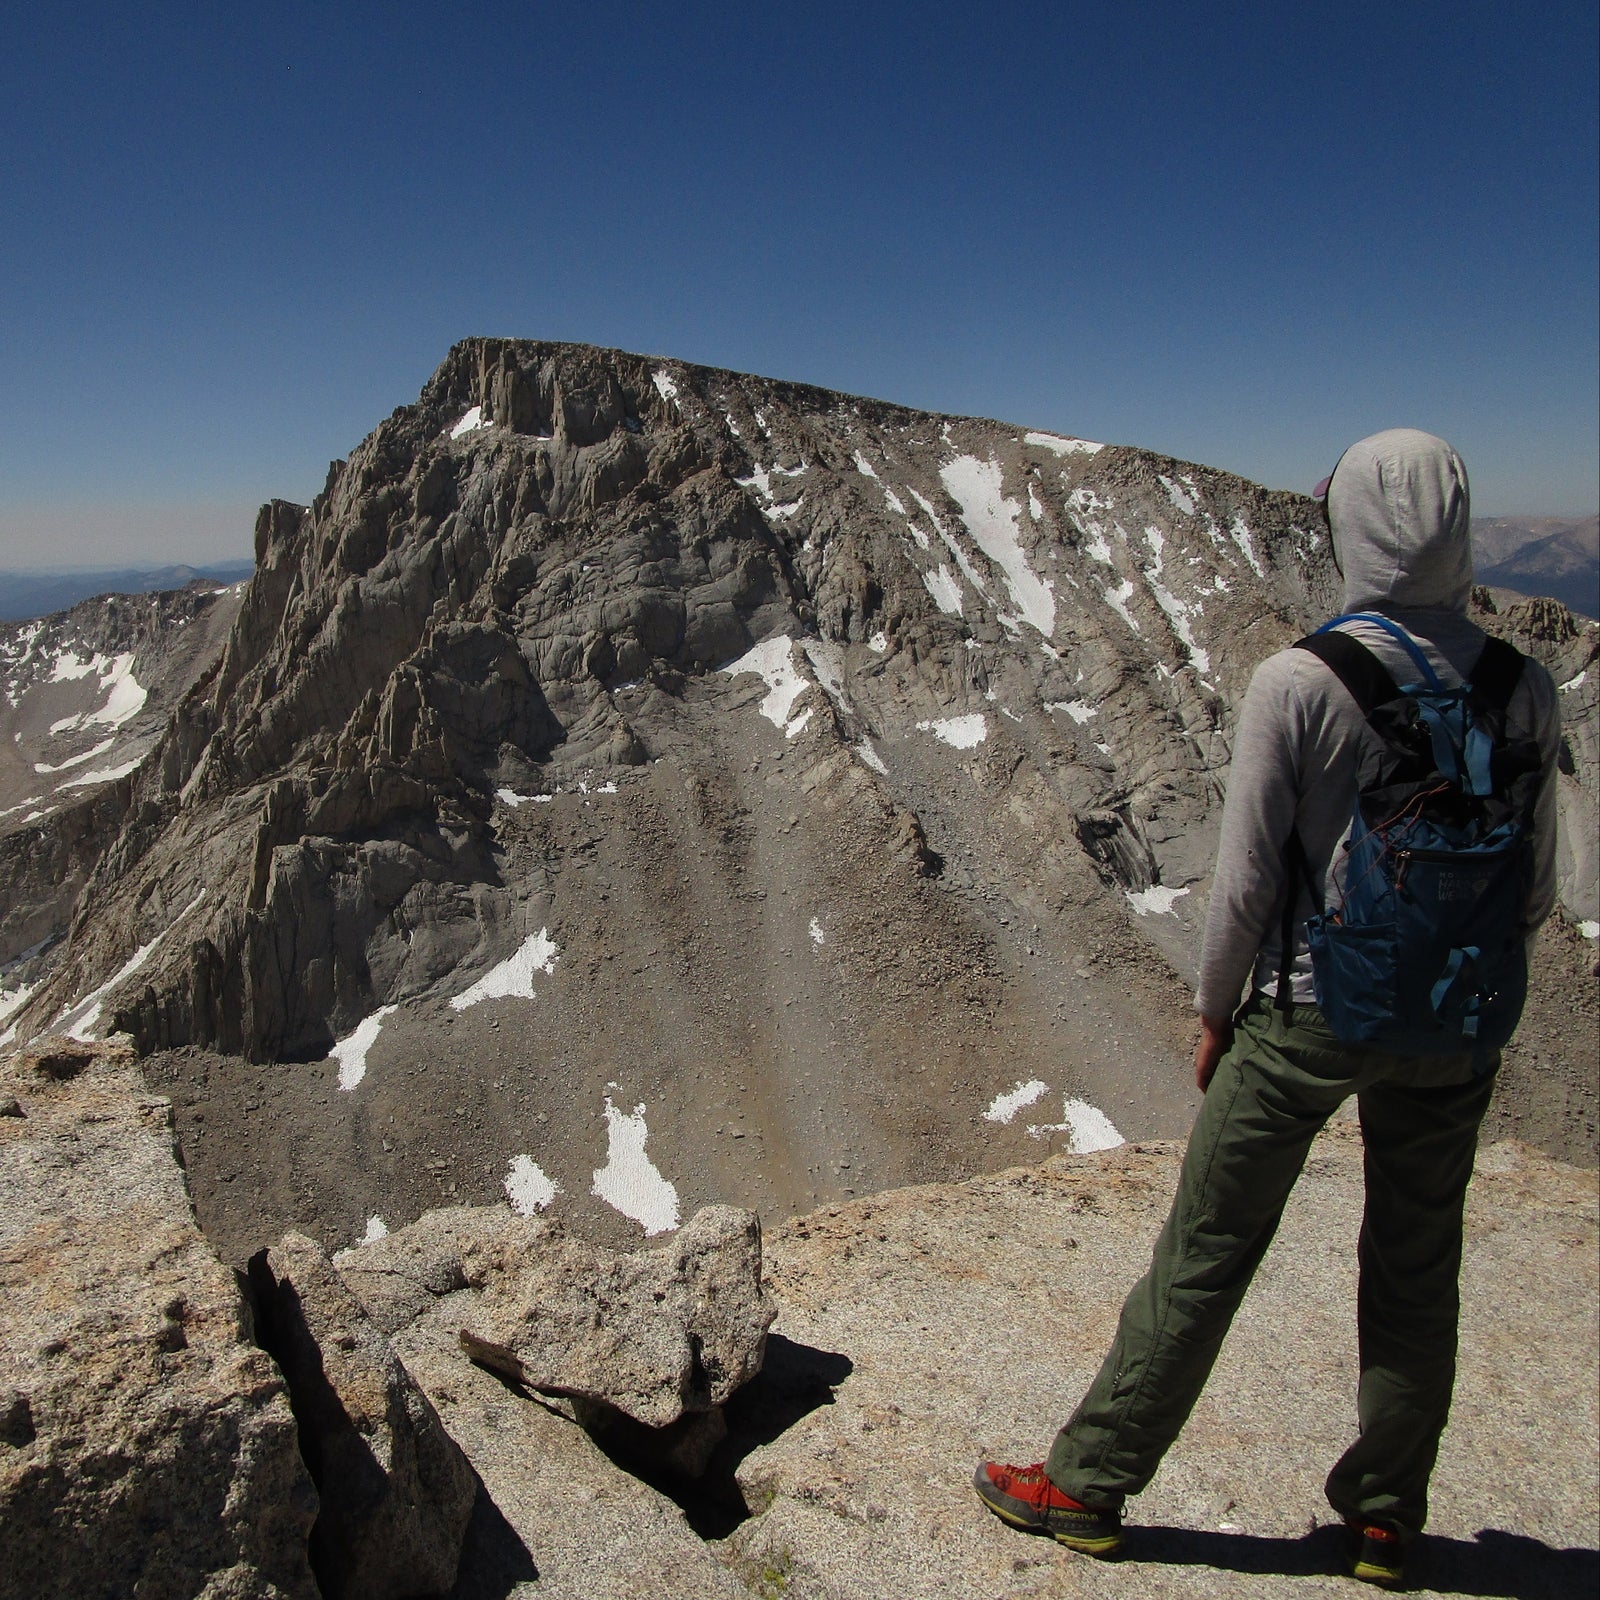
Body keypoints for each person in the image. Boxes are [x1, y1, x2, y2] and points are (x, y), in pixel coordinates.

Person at [973, 428, 1561, 1589]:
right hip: (1459, 1020)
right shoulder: (1520, 685)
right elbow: (1538, 880)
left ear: (1357, 528)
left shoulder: (1300, 680)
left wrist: (1213, 1009)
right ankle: (1387, 1521)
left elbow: (1243, 880)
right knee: (1415, 1260)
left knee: (1207, 1248)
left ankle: (1089, 1485)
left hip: (1305, 1013)